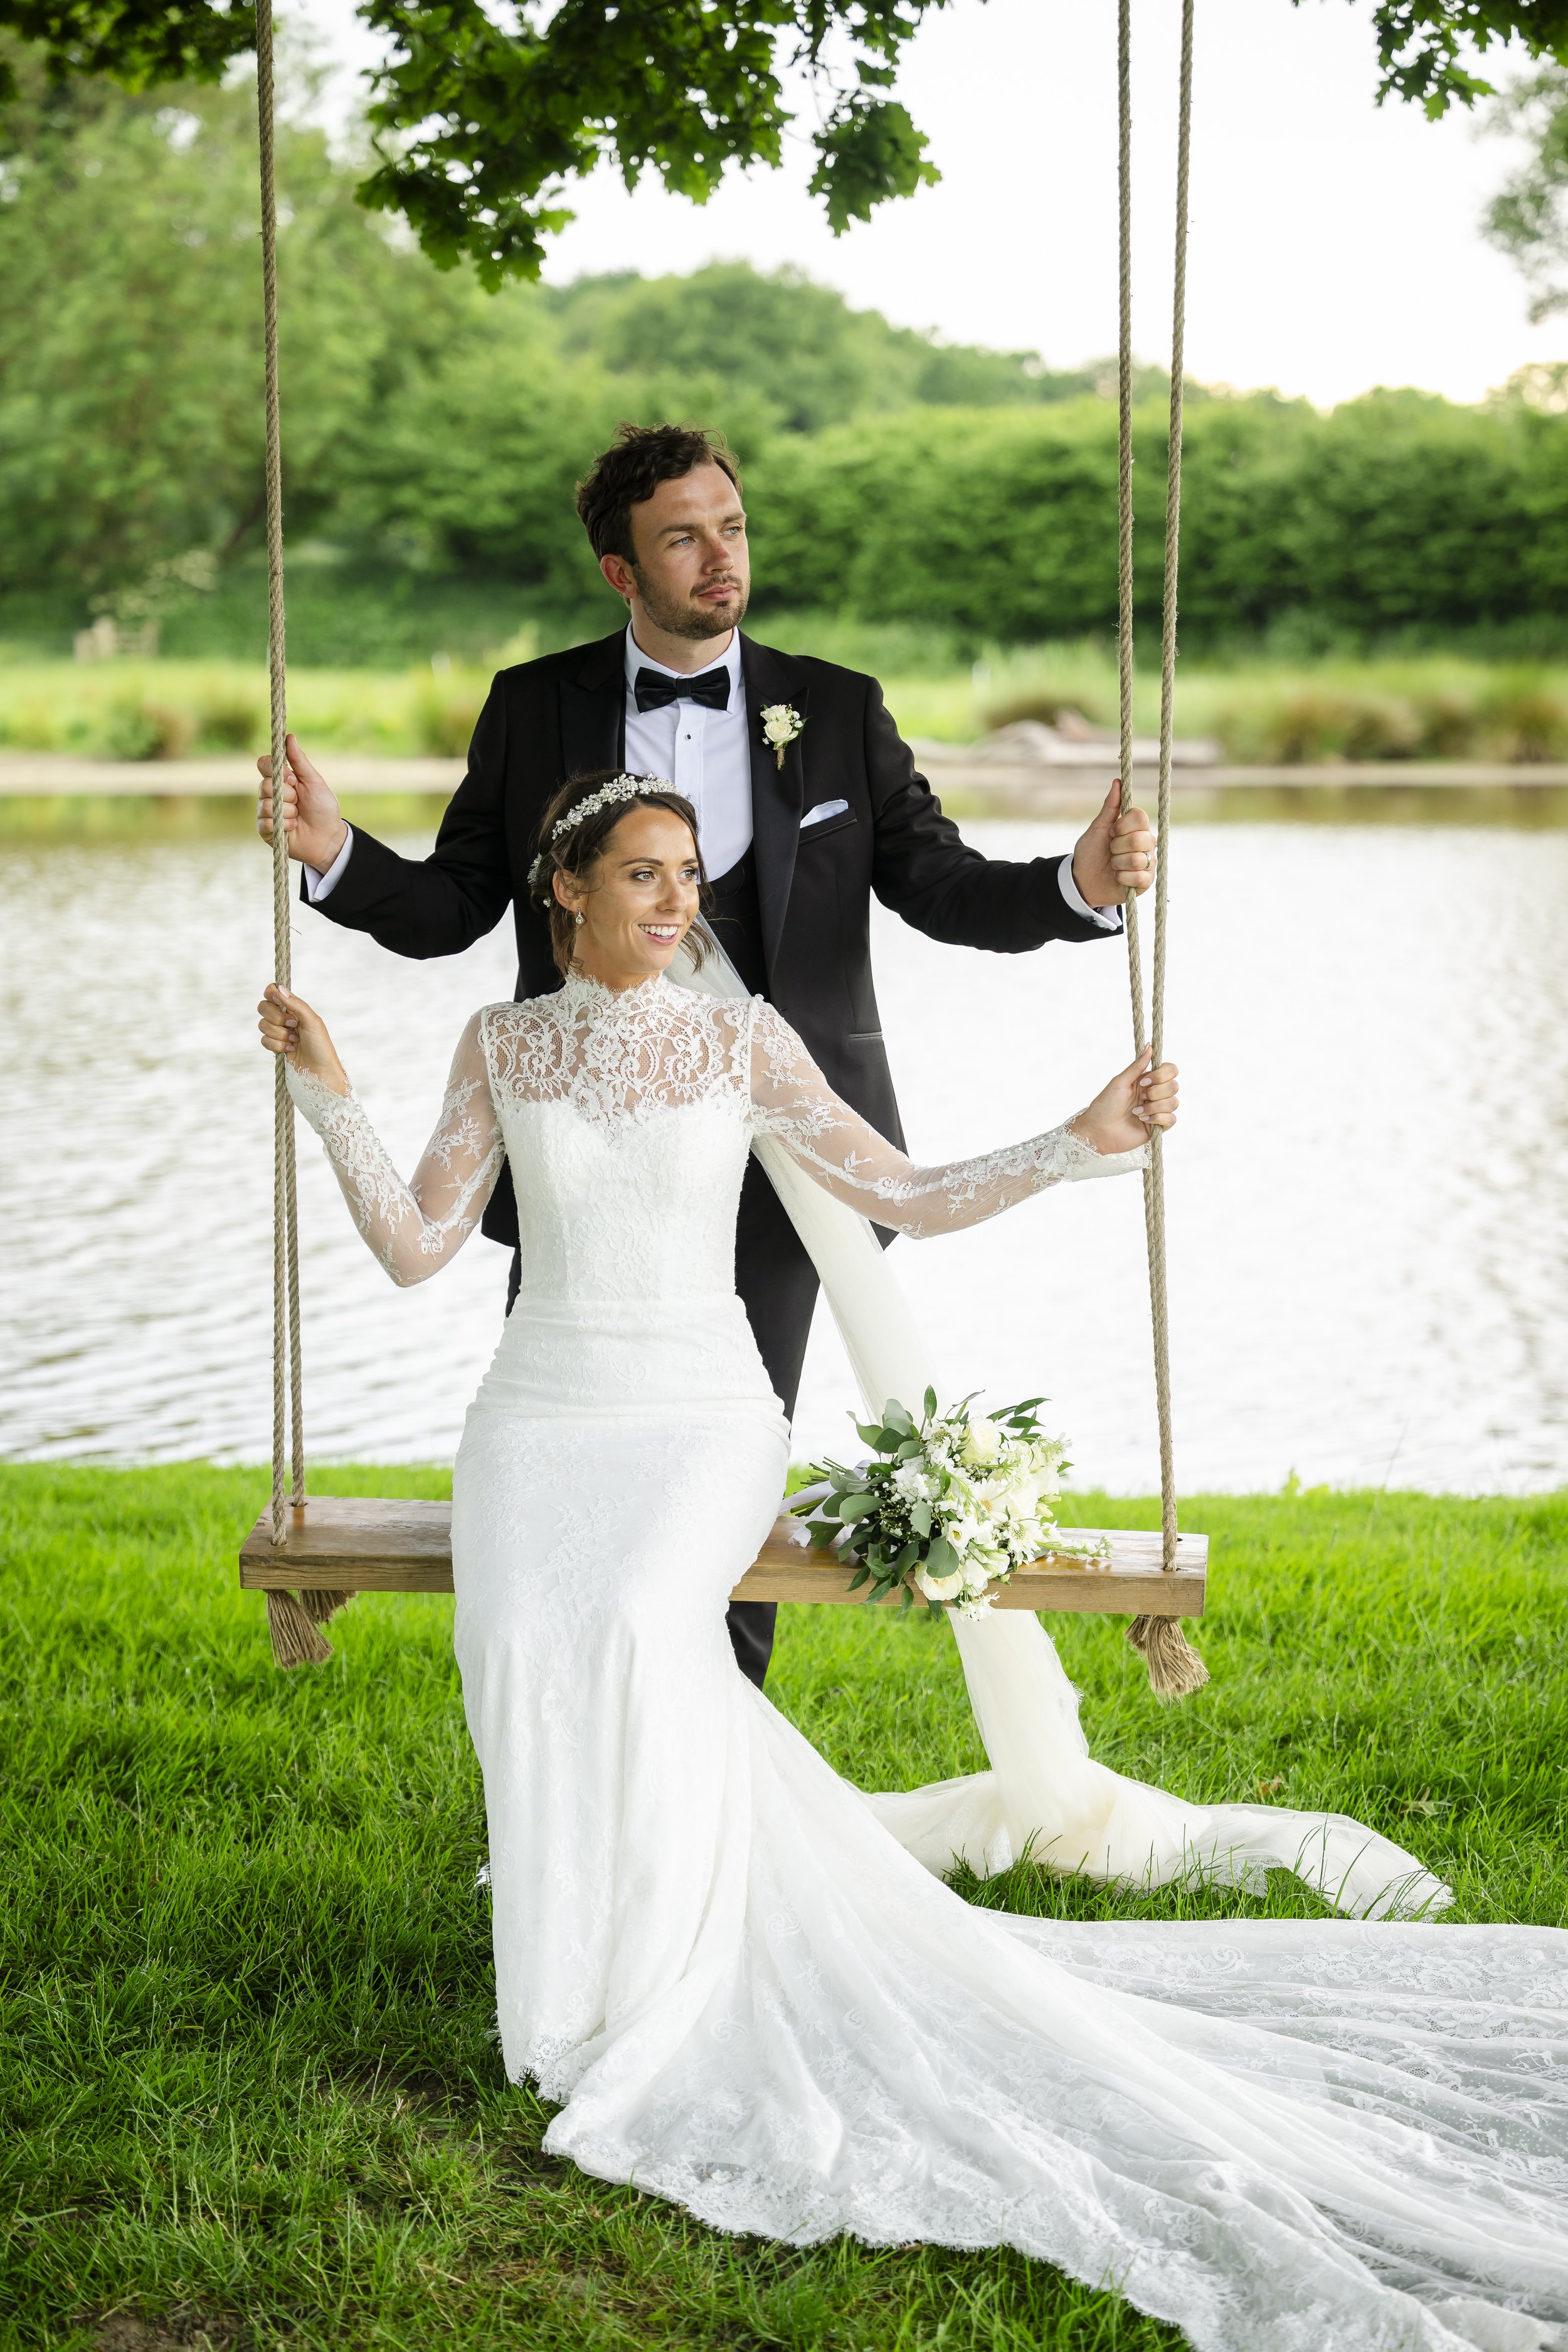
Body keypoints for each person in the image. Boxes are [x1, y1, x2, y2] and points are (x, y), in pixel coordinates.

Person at [259, 779, 1567, 2352]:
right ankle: (560, 1991)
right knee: (521, 1644)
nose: (679, 904)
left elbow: (895, 1195)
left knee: (624, 1621)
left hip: (693, 1410)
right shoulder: (502, 1048)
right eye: (645, 877)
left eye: (689, 877)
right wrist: (329, 1090)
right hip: (535, 1410)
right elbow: (416, 1243)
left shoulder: (741, 1042)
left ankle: (662, 1990)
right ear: (565, 891)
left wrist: (1074, 1142)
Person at [256, 420, 1161, 1693]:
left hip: (785, 1132)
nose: (716, 556)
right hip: (583, 1135)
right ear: (621, 571)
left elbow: (941, 886)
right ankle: (575, 1750)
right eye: (679, 536)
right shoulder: (533, 704)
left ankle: (714, 1752)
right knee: (567, 1468)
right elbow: (460, 901)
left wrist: (1075, 884)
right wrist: (334, 854)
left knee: (722, 1487)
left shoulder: (835, 706)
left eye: (727, 527)